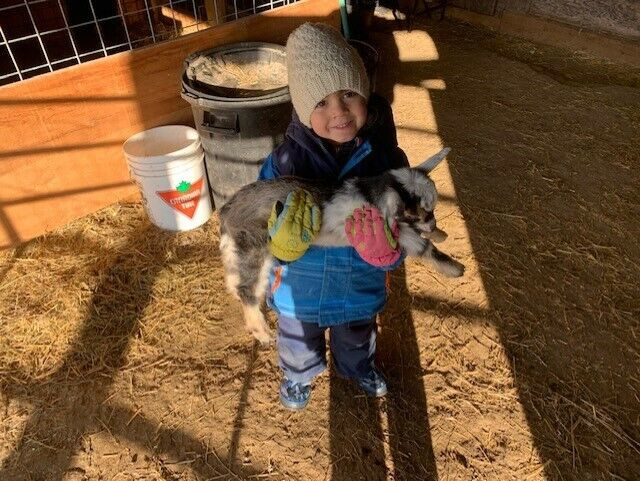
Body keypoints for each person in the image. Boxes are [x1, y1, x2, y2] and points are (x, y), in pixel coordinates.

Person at [258, 22, 409, 410]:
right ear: (302, 107)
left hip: (358, 284)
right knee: (296, 339)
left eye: (347, 93)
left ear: (365, 90)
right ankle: (298, 376)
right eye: (321, 102)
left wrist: (388, 249)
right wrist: (279, 239)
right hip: (299, 289)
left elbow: (410, 222)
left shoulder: (387, 161)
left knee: (358, 334)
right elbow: (260, 218)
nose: (339, 111)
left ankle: (358, 367)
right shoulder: (285, 163)